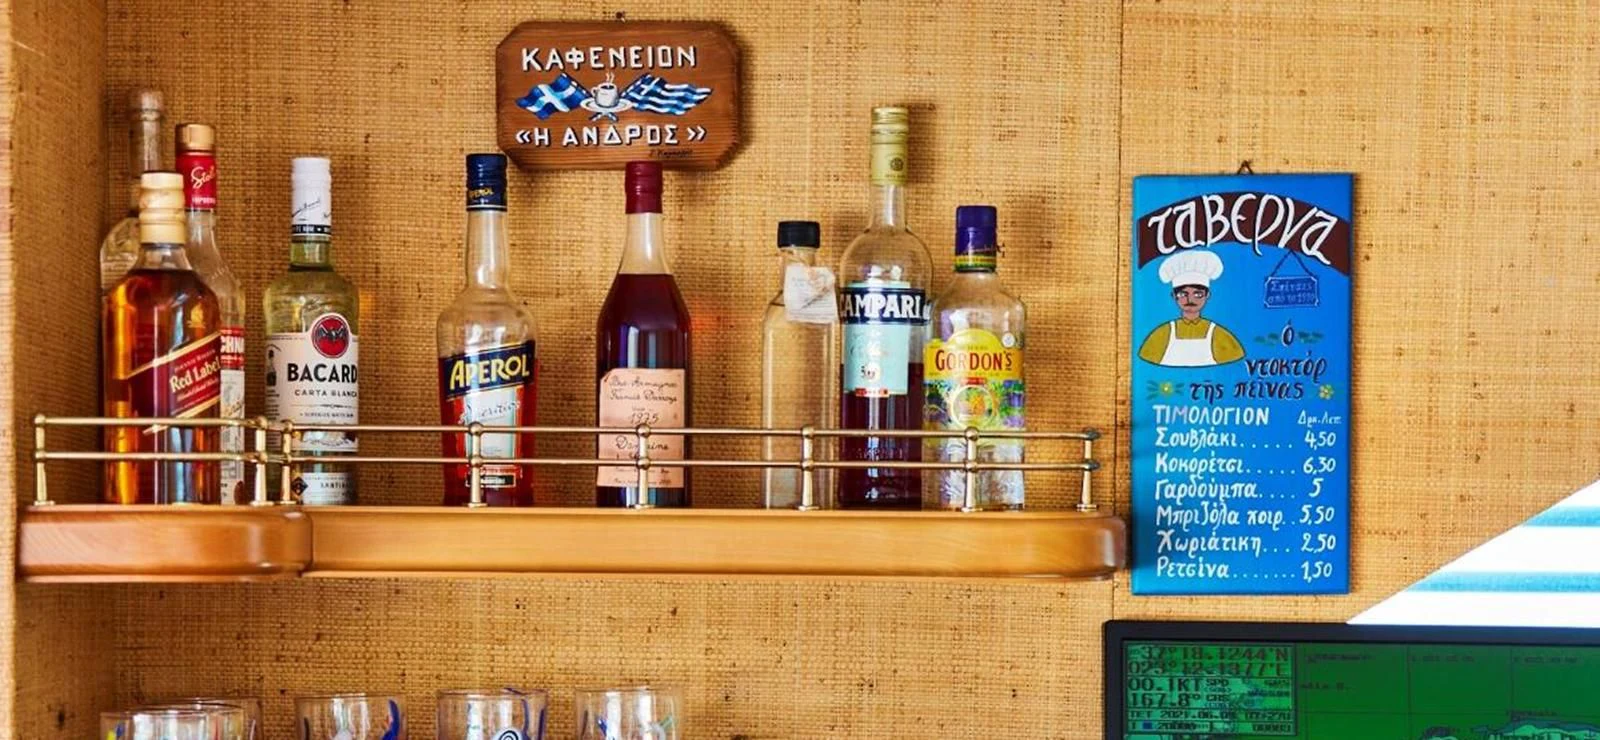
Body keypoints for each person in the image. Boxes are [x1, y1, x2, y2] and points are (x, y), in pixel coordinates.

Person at [1138, 250, 1244, 367]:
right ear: (1174, 296)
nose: (1190, 300)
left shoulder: (1219, 335)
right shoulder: (1162, 334)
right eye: (1183, 294)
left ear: (1207, 295)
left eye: (1198, 294)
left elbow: (1233, 364)